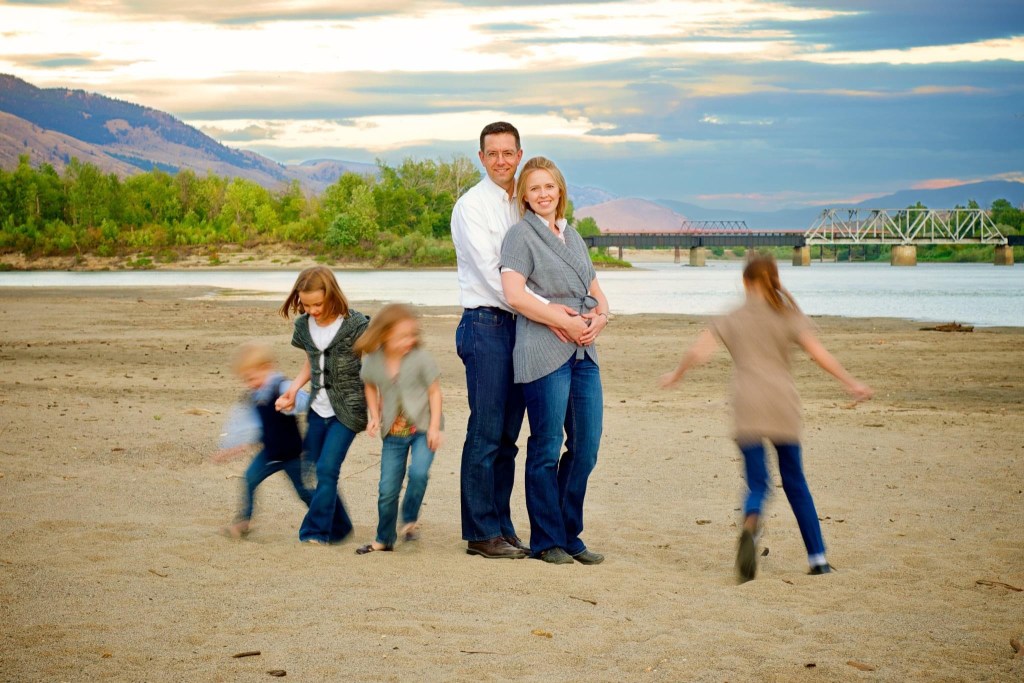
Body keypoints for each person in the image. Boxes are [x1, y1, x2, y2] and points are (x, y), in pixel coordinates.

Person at [659, 254, 873, 582]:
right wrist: (851, 382)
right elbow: (818, 354)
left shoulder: (730, 316)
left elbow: (698, 353)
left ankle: (751, 521)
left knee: (757, 482)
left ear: (745, 282)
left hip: (746, 402)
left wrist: (676, 374)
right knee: (795, 481)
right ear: (773, 280)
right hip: (781, 402)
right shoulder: (787, 314)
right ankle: (817, 559)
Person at [499, 156, 611, 565]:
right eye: (534, 189)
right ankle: (547, 540)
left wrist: (597, 320)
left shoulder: (574, 236)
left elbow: (598, 294)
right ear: (525, 197)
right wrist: (561, 320)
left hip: (584, 348)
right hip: (543, 346)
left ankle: (569, 532)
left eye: (549, 186)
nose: (543, 194)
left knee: (586, 446)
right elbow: (514, 294)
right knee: (545, 446)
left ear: (559, 190)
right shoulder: (519, 236)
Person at [450, 121, 531, 559]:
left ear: (519, 154)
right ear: (481, 158)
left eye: (508, 152)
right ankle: (481, 533)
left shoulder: (522, 204)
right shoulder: (472, 206)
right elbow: (495, 276)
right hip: (486, 325)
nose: (501, 160)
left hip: (520, 328)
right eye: (492, 153)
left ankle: (501, 524)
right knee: (484, 433)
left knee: (508, 437)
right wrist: (549, 313)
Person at [276, 266, 369, 545]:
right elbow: (311, 361)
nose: (312, 310)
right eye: (306, 304)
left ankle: (314, 532)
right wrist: (293, 389)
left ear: (331, 295)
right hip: (317, 408)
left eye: (318, 303)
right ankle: (339, 527)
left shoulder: (355, 324)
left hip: (348, 410)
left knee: (328, 468)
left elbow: (376, 360)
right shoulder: (303, 326)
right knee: (312, 471)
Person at [353, 304, 444, 555]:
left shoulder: (421, 358)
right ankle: (384, 539)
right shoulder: (374, 361)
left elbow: (435, 393)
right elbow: (369, 385)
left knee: (418, 473)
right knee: (387, 490)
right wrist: (374, 415)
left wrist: (435, 427)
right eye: (402, 336)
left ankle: (410, 517)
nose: (409, 341)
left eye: (412, 335)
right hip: (393, 433)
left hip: (424, 428)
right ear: (384, 335)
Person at [212, 342, 313, 539]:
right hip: (269, 453)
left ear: (267, 368)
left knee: (304, 492)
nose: (249, 383)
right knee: (250, 479)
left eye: (252, 377)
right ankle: (243, 522)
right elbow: (243, 422)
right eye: (245, 379)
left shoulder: (282, 386)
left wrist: (291, 403)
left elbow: (304, 399)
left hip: (292, 454)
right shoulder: (254, 395)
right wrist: (230, 447)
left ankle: (325, 517)